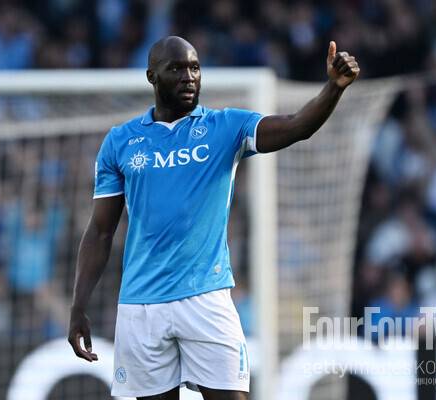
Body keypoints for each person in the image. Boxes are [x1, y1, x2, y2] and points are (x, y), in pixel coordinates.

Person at [68, 36, 359, 400]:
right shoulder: (120, 142)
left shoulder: (226, 127)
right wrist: (78, 306)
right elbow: (99, 232)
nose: (188, 77)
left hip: (206, 298)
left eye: (194, 68)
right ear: (152, 76)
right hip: (141, 306)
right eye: (176, 68)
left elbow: (297, 125)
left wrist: (334, 87)